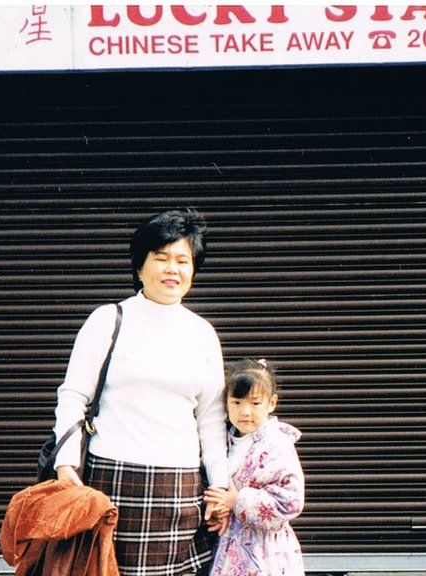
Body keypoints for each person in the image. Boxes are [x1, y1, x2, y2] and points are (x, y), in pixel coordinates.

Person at [52, 209, 229, 576]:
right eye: (161, 258)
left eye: (183, 260)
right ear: (139, 266)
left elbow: (211, 419)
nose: (172, 269)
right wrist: (65, 463)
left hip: (180, 487)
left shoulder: (202, 334)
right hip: (110, 480)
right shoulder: (108, 319)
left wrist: (221, 487)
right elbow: (73, 396)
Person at [204, 359, 305, 576]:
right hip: (229, 545)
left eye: (255, 403)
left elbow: (291, 500)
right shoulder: (223, 442)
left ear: (271, 403)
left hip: (266, 552)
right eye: (237, 402)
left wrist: (237, 501)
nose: (245, 412)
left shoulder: (277, 445)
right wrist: (219, 508)